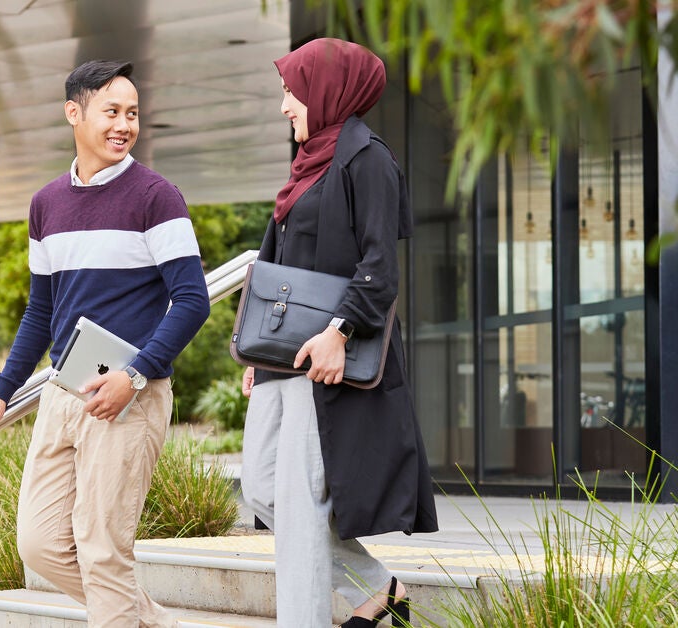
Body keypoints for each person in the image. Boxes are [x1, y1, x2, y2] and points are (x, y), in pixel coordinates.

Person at [0, 60, 211, 628]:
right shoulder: (46, 204)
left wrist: (135, 374)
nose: (124, 124)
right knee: (41, 544)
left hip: (129, 396)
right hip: (61, 392)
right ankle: (157, 621)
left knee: (102, 552)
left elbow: (193, 301)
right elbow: (41, 312)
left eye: (133, 114)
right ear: (74, 113)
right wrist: (2, 394)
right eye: (112, 111)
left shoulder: (156, 197)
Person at [238, 38, 438, 627]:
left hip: (325, 356)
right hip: (283, 354)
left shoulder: (368, 159)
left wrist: (340, 331)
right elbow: (281, 271)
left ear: (327, 90)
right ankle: (380, 588)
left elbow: (379, 266)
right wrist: (257, 346)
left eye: (291, 92)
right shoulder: (309, 163)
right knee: (262, 489)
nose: (285, 107)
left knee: (301, 510)